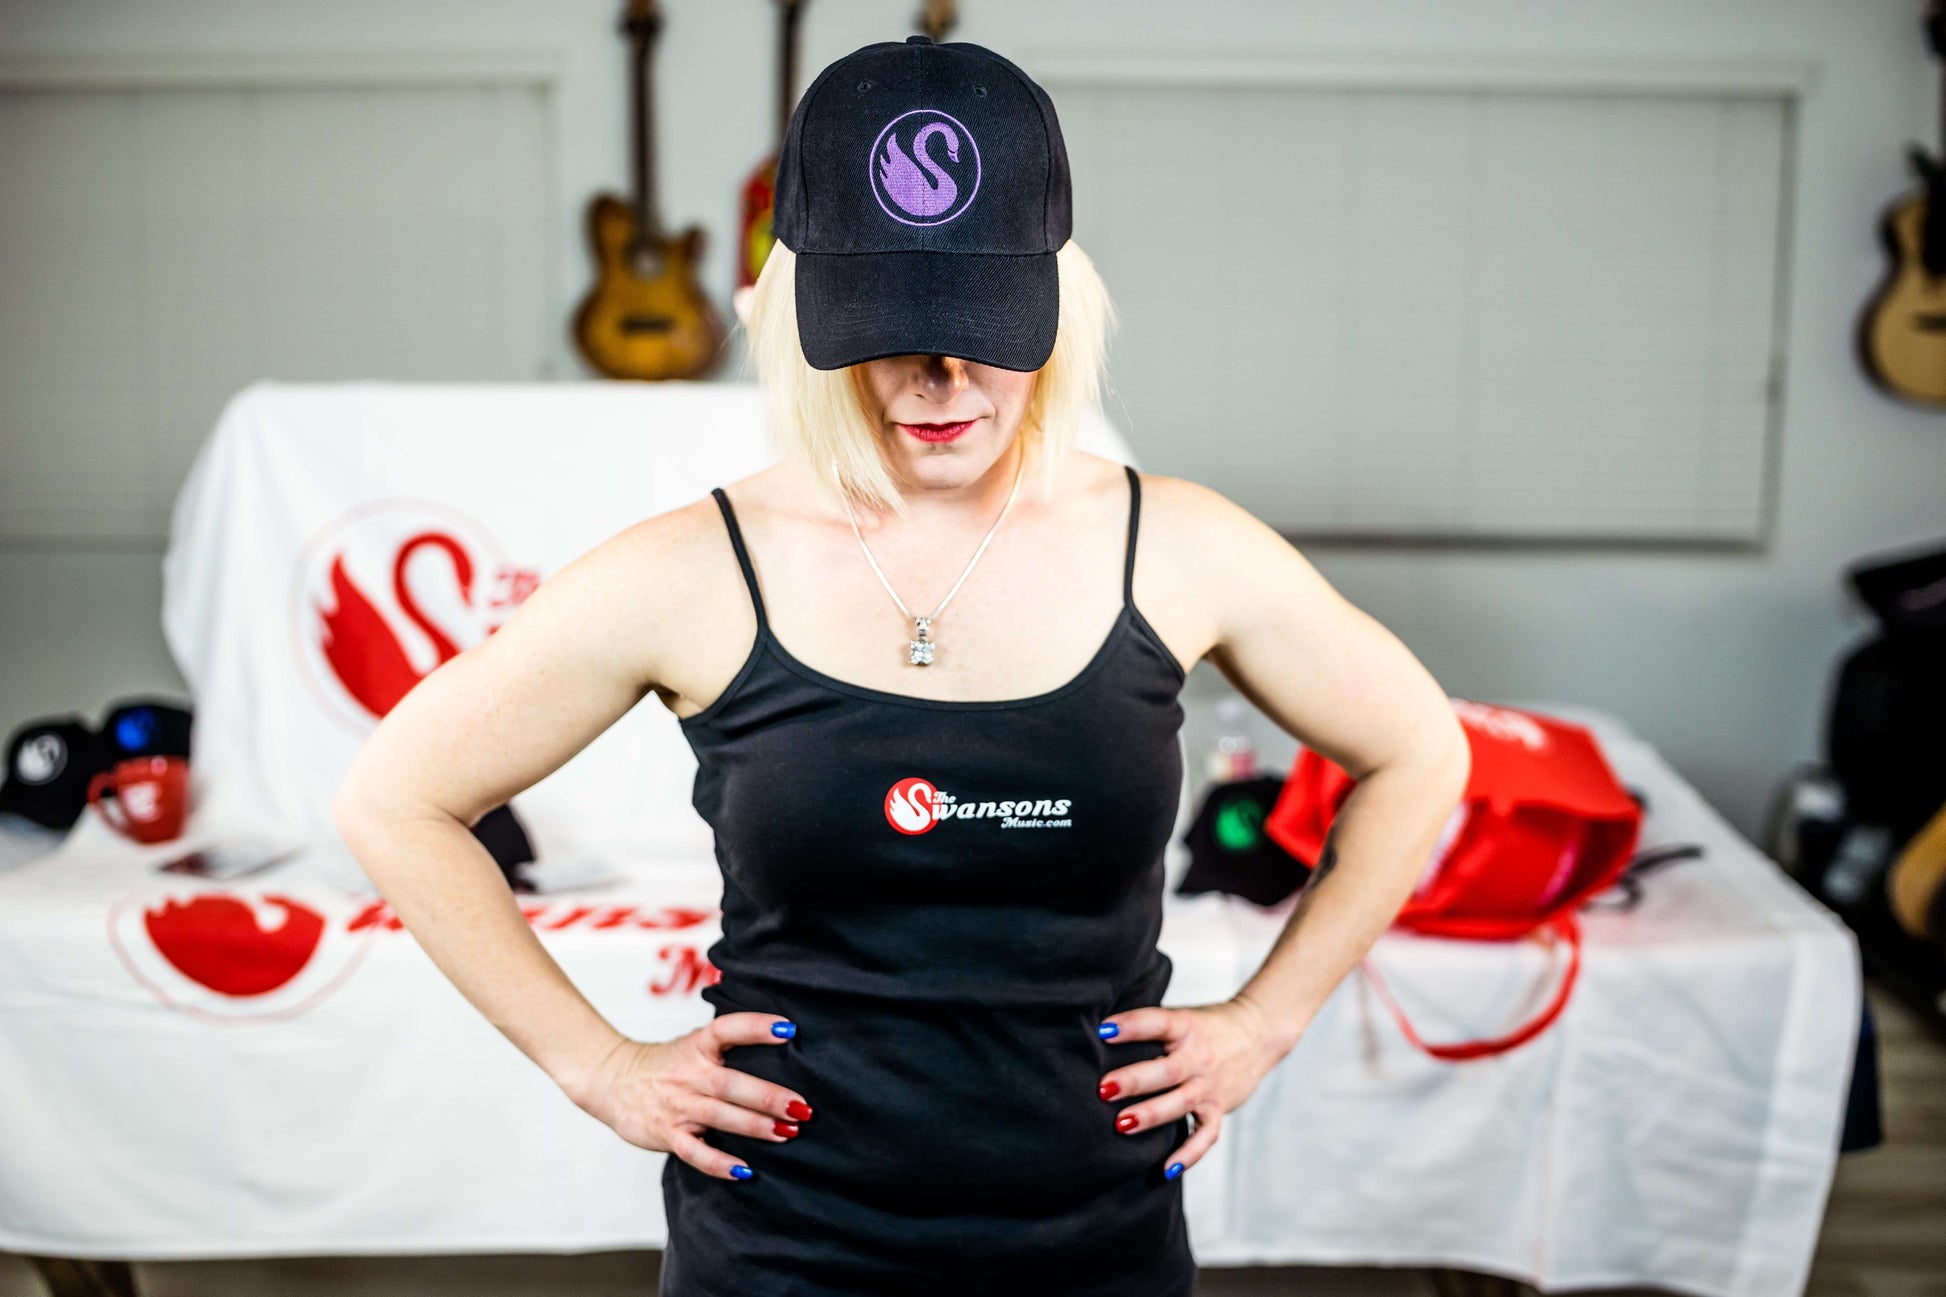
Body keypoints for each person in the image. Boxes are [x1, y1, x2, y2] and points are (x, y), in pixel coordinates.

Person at [333, 34, 1470, 1297]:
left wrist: (1267, 1021)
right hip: (781, 1256)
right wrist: (596, 1065)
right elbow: (395, 798)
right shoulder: (693, 569)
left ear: (1055, 296)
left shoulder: (1180, 547)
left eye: (979, 325)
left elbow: (1421, 749)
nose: (937, 378)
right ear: (805, 303)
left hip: (1094, 1252)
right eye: (889, 326)